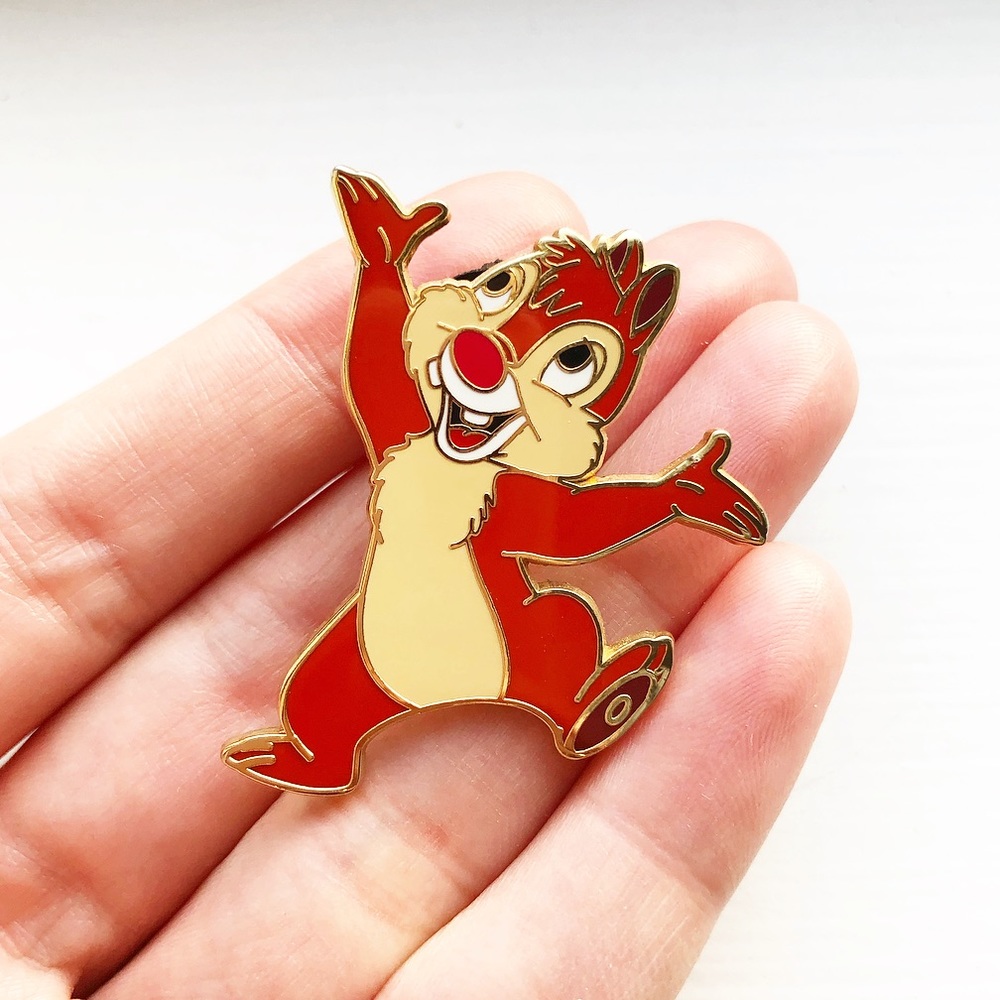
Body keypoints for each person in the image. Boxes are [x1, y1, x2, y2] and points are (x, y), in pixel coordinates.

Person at [0, 172, 856, 999]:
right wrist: (381, 270)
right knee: (330, 686)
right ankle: (323, 751)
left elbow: (576, 524)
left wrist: (668, 496)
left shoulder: (505, 496)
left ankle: (584, 699)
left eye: (567, 363)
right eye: (498, 302)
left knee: (557, 625)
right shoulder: (407, 439)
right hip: (383, 644)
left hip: (487, 651)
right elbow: (378, 365)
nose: (491, 362)